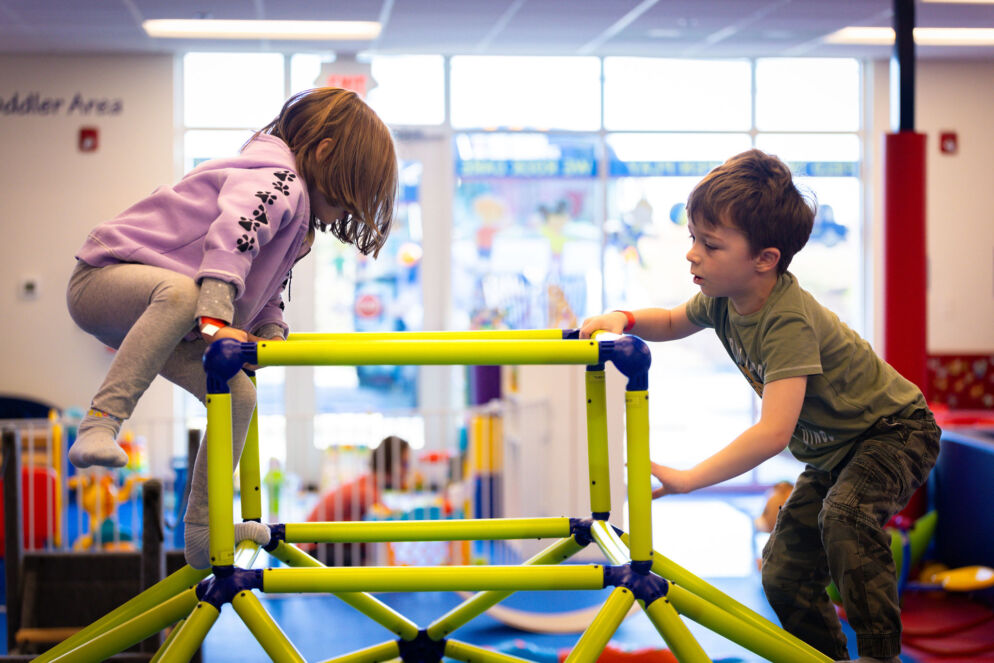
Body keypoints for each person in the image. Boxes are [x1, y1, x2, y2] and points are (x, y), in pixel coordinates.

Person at [580, 149, 940, 663]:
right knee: (784, 572)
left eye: (710, 244)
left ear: (764, 259)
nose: (692, 255)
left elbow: (773, 433)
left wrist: (690, 477)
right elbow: (670, 322)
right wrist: (624, 317)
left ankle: (879, 655)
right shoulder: (722, 300)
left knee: (844, 517)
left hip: (894, 432)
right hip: (837, 451)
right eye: (692, 239)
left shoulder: (786, 321)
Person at [66, 87, 399, 569]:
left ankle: (203, 530)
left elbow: (266, 289)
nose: (347, 212)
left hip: (172, 312)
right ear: (324, 154)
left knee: (239, 396)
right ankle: (100, 423)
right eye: (348, 197)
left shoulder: (299, 220)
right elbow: (232, 243)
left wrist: (271, 333)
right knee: (182, 296)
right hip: (105, 277)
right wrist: (218, 321)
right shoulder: (277, 181)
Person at [303, 435, 411, 565]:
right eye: (405, 464)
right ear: (391, 463)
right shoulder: (367, 491)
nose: (407, 471)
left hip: (319, 546)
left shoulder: (366, 485)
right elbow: (389, 523)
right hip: (314, 550)